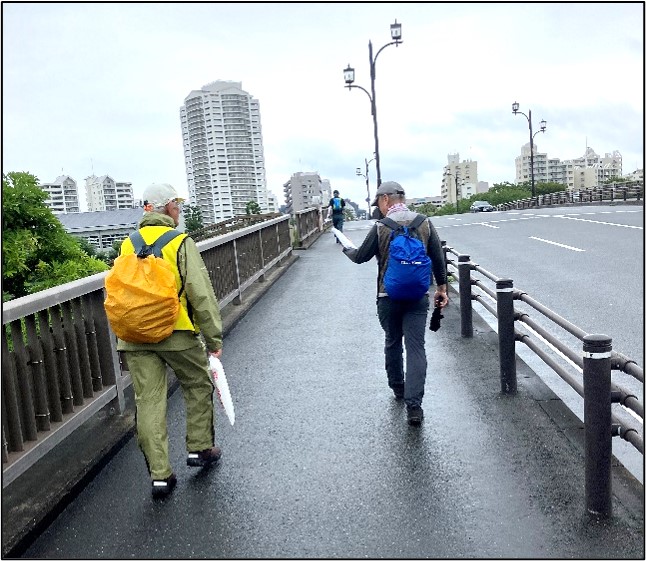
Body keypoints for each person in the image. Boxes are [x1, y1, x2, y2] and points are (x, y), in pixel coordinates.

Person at [116, 183, 223, 498]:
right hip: (176, 332)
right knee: (198, 383)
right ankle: (199, 448)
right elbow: (200, 293)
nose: (179, 210)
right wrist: (213, 336)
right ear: (167, 208)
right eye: (177, 204)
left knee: (148, 401)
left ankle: (160, 476)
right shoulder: (179, 242)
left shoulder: (127, 244)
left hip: (135, 336)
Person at [341, 181, 449, 426]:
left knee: (392, 341)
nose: (378, 208)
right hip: (417, 296)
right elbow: (437, 257)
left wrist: (346, 249)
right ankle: (414, 407)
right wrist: (441, 288)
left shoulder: (381, 226)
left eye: (378, 202)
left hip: (387, 296)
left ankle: (398, 388)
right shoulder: (424, 222)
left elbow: (360, 257)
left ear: (386, 199)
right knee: (416, 347)